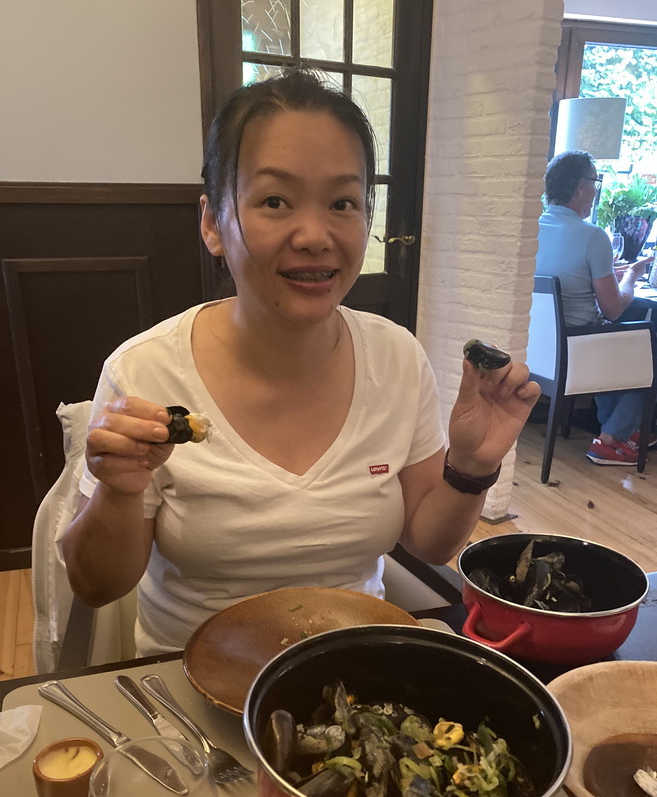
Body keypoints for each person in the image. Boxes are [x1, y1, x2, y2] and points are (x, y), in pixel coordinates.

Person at [62, 69, 540, 657]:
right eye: (275, 201)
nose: (315, 235)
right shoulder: (146, 371)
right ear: (213, 222)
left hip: (355, 676)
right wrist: (117, 492)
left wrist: (470, 466)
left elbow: (428, 541)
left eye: (343, 202)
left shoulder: (396, 357)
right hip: (185, 688)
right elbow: (95, 585)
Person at [535, 150, 657, 467]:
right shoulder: (591, 235)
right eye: (595, 181)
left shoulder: (532, 229)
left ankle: (621, 426)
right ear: (579, 187)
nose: (596, 188)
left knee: (621, 339)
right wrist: (632, 274)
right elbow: (614, 309)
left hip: (539, 350)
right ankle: (612, 438)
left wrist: (605, 275)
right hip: (580, 351)